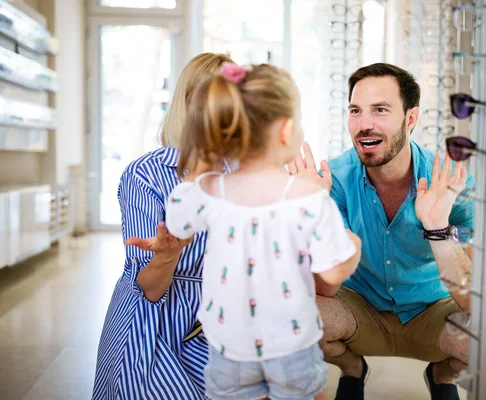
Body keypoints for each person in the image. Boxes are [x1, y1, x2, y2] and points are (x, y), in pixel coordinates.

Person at [164, 62, 363, 400]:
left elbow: (177, 221)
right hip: (291, 348)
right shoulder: (308, 197)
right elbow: (332, 272)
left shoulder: (209, 190)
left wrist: (198, 160)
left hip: (228, 349)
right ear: (285, 130)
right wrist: (352, 243)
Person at [290, 63, 474, 400]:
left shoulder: (451, 185)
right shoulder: (334, 181)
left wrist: (438, 227)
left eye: (380, 110)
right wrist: (314, 214)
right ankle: (352, 368)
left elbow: (473, 299)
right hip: (360, 308)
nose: (364, 125)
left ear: (411, 118)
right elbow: (324, 291)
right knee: (296, 315)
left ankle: (442, 375)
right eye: (356, 111)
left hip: (432, 312)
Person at [92, 52, 234, 400]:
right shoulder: (146, 175)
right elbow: (150, 288)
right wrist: (168, 255)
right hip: (151, 328)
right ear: (187, 105)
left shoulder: (243, 176)